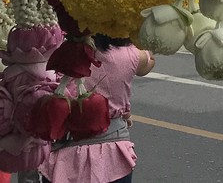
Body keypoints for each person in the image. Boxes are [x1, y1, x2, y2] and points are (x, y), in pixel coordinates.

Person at [40, 35, 155, 183]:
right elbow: (149, 60)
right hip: (113, 156)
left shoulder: (62, 53)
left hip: (65, 158)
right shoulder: (130, 55)